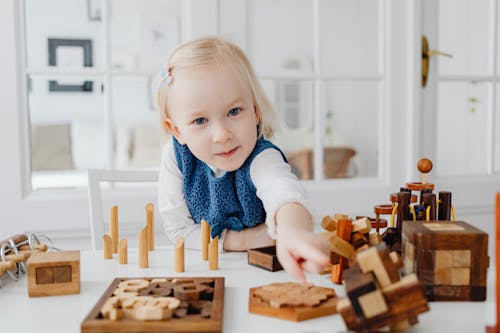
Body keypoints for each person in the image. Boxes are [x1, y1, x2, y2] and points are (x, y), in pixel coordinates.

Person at [156, 37, 329, 282]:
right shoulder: (175, 157)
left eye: (234, 111)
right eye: (200, 121)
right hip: (209, 272)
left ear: (255, 111)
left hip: (266, 274)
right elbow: (179, 231)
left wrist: (292, 231)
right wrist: (242, 240)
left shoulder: (262, 156)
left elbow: (284, 193)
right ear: (177, 131)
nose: (222, 135)